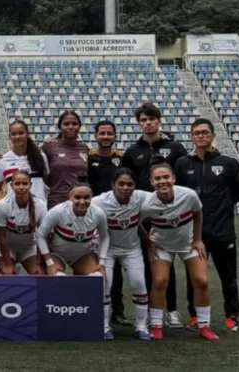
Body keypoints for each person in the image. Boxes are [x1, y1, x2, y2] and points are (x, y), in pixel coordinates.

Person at [175, 119, 239, 332]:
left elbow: (238, 191)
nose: (201, 136)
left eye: (205, 132)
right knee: (194, 276)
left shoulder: (228, 163)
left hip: (222, 230)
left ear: (213, 135)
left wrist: (222, 207)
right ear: (191, 136)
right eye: (196, 133)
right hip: (194, 231)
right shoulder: (182, 164)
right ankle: (195, 316)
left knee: (228, 275)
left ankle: (231, 315)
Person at [122, 103, 189, 329]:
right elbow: (127, 182)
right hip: (143, 216)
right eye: (143, 119)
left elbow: (184, 181)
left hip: (170, 215)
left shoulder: (176, 148)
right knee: (148, 262)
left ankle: (172, 311)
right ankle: (154, 311)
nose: (148, 123)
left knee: (166, 264)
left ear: (159, 120)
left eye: (152, 118)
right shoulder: (132, 152)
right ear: (139, 123)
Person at [141, 163, 218, 341]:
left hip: (188, 243)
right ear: (151, 182)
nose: (163, 181)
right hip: (162, 245)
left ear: (173, 178)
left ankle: (204, 325)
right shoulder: (147, 204)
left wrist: (198, 239)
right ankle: (156, 325)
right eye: (158, 178)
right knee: (160, 281)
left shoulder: (188, 195)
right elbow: (137, 222)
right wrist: (149, 242)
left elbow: (198, 214)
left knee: (202, 280)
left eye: (166, 177)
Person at [35, 181, 110, 334]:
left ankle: (102, 324)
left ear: (91, 197)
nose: (82, 201)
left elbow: (105, 237)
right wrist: (49, 261)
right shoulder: (57, 211)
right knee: (59, 279)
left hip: (82, 254)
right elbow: (40, 235)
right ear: (70, 197)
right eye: (77, 197)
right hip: (57, 254)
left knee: (97, 279)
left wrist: (101, 262)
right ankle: (58, 321)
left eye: (86, 197)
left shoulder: (98, 214)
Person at [91, 169, 153, 340]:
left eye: (130, 184)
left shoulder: (141, 197)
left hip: (131, 249)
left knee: (139, 283)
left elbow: (164, 197)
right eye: (121, 184)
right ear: (113, 185)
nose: (125, 188)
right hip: (107, 250)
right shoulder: (99, 201)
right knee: (105, 284)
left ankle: (141, 325)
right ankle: (103, 325)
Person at [86, 119, 129, 327]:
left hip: (118, 217)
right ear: (95, 136)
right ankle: (94, 307)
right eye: (101, 133)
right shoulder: (88, 159)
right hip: (94, 217)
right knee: (95, 264)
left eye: (109, 133)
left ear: (114, 136)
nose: (105, 137)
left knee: (117, 266)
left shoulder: (122, 159)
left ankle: (117, 311)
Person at [0, 170, 47, 276]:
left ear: (30, 185)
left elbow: (42, 235)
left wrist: (39, 263)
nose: (21, 187)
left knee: (40, 274)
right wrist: (8, 264)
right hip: (9, 248)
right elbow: (1, 236)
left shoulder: (40, 205)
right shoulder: (2, 205)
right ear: (11, 185)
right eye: (17, 184)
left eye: (25, 183)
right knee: (8, 274)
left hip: (29, 248)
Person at [41, 111, 89, 208]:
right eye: (66, 124)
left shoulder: (84, 148)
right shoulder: (49, 146)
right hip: (56, 201)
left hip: (80, 202)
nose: (70, 127)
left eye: (74, 124)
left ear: (79, 126)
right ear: (60, 127)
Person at [0, 120, 48, 203]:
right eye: (13, 134)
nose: (17, 137)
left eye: (21, 133)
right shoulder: (1, 161)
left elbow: (47, 180)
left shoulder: (41, 157)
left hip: (39, 208)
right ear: (9, 136)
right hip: (13, 209)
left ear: (28, 134)